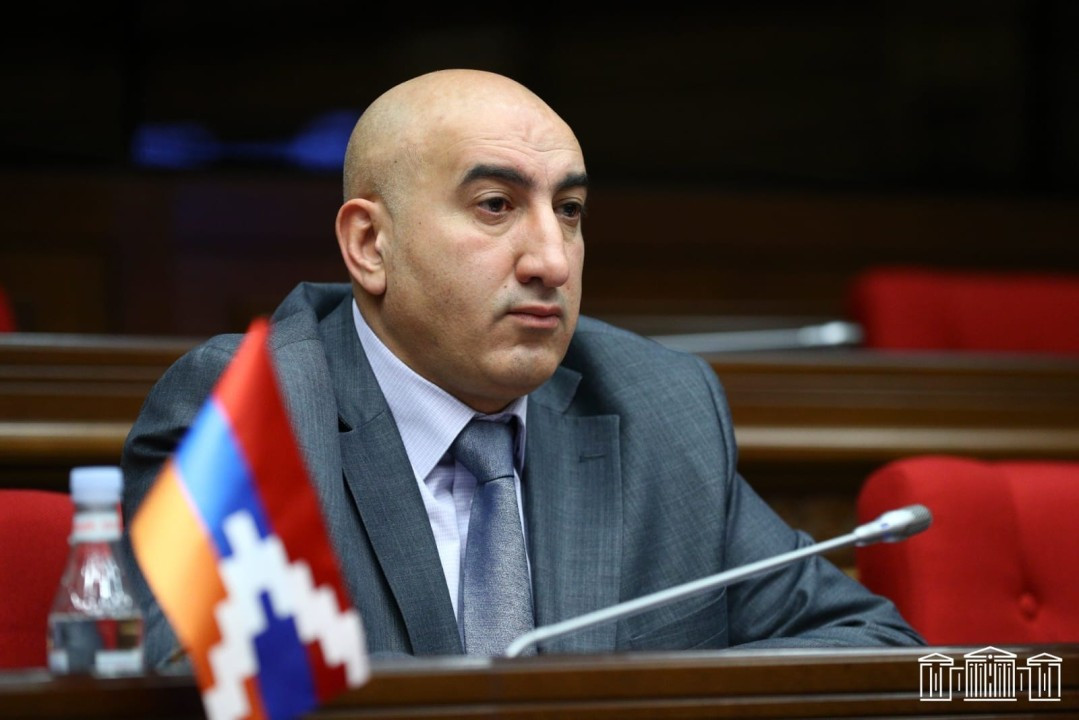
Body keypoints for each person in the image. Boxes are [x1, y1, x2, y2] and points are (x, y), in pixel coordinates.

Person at [120, 69, 923, 668]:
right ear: (369, 245)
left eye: (568, 211)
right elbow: (210, 679)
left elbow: (870, 646)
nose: (551, 260)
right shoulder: (251, 408)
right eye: (495, 206)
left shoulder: (656, 406)